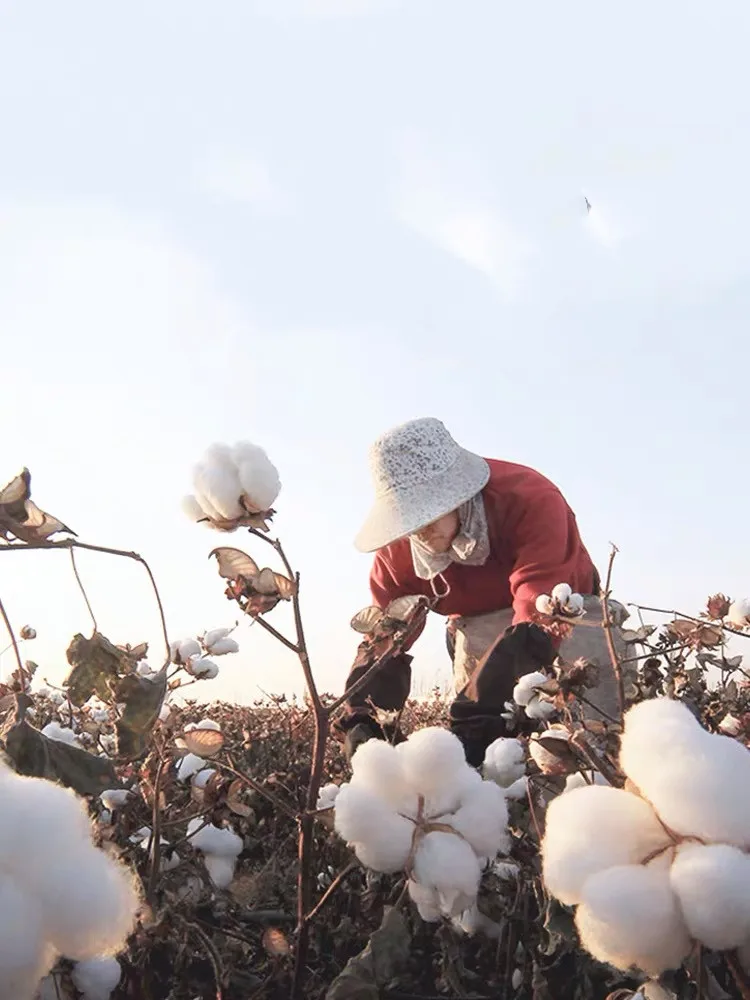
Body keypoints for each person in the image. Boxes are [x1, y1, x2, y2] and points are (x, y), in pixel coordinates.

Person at [337, 417, 630, 767]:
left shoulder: (530, 499)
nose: (421, 534)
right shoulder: (398, 553)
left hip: (566, 622)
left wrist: (481, 704)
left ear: (459, 495)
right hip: (476, 630)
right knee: (489, 767)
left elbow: (539, 609)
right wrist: (363, 716)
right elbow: (387, 635)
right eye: (412, 524)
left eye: (429, 518)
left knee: (587, 743)